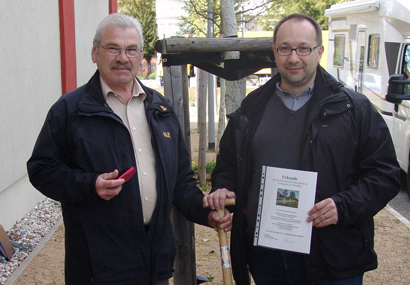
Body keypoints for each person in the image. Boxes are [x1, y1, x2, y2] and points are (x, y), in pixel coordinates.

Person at [27, 13, 230, 285]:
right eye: (113, 48)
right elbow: (41, 170)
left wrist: (207, 213)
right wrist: (90, 185)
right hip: (98, 268)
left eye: (131, 49)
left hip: (154, 263)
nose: (123, 57)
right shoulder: (70, 111)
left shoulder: (160, 109)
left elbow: (180, 182)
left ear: (141, 57)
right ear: (94, 52)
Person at [203, 14, 400, 285]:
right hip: (267, 256)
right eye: (284, 48)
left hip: (333, 256)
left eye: (303, 48)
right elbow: (229, 165)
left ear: (319, 52)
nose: (294, 58)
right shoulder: (252, 108)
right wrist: (223, 187)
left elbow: (385, 175)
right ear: (274, 52)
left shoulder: (355, 109)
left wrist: (342, 206)